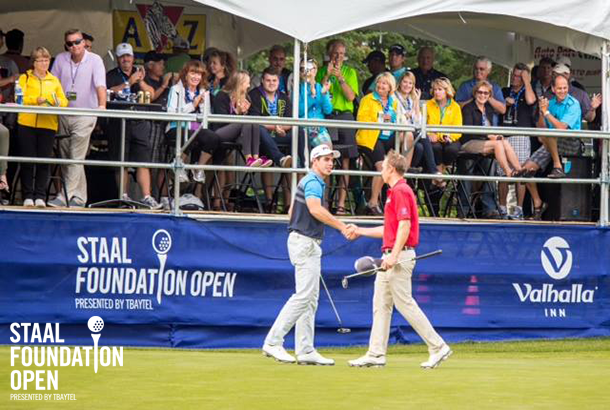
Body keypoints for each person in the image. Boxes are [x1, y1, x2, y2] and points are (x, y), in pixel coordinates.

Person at [347, 150, 451, 368]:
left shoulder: (401, 190)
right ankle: (376, 354)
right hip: (391, 255)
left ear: (391, 169)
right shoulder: (394, 192)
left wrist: (393, 255)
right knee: (381, 304)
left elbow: (405, 226)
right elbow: (390, 229)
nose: (381, 171)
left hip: (399, 256)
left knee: (405, 304)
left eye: (383, 167)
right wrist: (360, 231)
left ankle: (438, 347)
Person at [262, 144, 356, 366]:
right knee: (304, 296)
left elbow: (291, 212)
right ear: (315, 161)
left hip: (305, 241)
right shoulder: (313, 181)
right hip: (305, 242)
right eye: (325, 159)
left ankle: (305, 349)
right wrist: (342, 226)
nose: (330, 162)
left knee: (310, 299)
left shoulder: (309, 181)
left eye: (331, 159)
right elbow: (314, 209)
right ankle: (273, 341)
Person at [49, 28, 106, 208]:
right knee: (68, 157)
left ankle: (64, 196)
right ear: (66, 45)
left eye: (77, 42)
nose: (74, 46)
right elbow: (52, 84)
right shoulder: (60, 59)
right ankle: (79, 198)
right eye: (70, 43)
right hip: (64, 113)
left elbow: (100, 85)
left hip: (86, 113)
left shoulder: (95, 60)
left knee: (75, 155)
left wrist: (102, 107)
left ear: (84, 43)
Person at [105, 42, 160, 209]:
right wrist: (128, 83)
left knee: (143, 161)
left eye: (128, 56)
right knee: (122, 162)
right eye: (122, 57)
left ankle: (147, 197)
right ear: (118, 59)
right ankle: (124, 197)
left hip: (139, 121)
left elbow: (151, 95)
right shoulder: (111, 74)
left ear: (133, 57)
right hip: (119, 121)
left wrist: (140, 82)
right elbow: (108, 91)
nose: (125, 60)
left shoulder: (141, 73)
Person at [521, 74, 581, 219]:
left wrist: (547, 113)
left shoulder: (574, 104)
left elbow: (561, 128)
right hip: (551, 141)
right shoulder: (551, 103)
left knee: (551, 133)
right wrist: (542, 111)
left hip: (571, 142)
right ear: (553, 89)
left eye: (565, 87)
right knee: (524, 171)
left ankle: (557, 166)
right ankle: (538, 202)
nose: (562, 91)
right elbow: (542, 128)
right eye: (559, 88)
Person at [17, 47, 69, 207]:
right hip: (27, 123)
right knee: (27, 160)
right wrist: (36, 100)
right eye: (41, 60)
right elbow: (20, 98)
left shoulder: (54, 80)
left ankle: (40, 195)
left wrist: (57, 102)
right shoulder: (25, 77)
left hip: (48, 124)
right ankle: (27, 195)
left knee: (43, 161)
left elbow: (64, 101)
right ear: (34, 62)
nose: (44, 63)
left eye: (47, 60)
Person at [316, 39, 359, 214]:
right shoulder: (320, 72)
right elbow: (317, 94)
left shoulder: (350, 72)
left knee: (346, 161)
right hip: (326, 115)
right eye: (335, 53)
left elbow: (350, 97)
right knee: (326, 157)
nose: (338, 57)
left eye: (341, 54)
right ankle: (325, 201)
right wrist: (327, 75)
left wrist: (340, 77)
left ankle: (341, 203)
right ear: (329, 54)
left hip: (344, 116)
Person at [165, 60, 219, 198]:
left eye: (199, 74)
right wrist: (193, 104)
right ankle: (178, 164)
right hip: (175, 128)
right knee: (190, 135)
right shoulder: (176, 89)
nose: (196, 77)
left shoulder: (203, 92)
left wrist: (201, 105)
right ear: (186, 74)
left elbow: (206, 118)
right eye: (193, 73)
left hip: (195, 129)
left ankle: (198, 168)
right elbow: (171, 114)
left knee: (213, 137)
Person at [248, 67, 295, 206]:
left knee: (300, 132)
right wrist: (275, 127)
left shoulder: (283, 97)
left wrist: (281, 128)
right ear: (262, 81)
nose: (271, 83)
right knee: (261, 130)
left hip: (280, 135)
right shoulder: (254, 95)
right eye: (268, 80)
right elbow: (255, 120)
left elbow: (291, 120)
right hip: (260, 139)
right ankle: (269, 201)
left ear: (278, 81)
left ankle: (301, 164)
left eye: (274, 80)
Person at [356, 72, 400, 216]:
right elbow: (361, 119)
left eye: (384, 83)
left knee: (408, 138)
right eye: (379, 82)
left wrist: (391, 119)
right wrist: (379, 118)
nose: (381, 86)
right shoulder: (368, 99)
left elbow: (397, 119)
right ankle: (373, 203)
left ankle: (403, 165)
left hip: (388, 136)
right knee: (382, 167)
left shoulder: (393, 101)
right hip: (371, 137)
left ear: (390, 87)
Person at [499, 63, 537, 220]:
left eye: (518, 76)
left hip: (521, 134)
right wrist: (504, 103)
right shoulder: (504, 91)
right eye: (514, 75)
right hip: (504, 134)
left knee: (520, 172)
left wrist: (527, 82)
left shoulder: (527, 90)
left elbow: (530, 101)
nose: (514, 78)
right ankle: (502, 208)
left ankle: (518, 209)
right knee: (503, 173)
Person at [426, 77, 462, 186]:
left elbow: (458, 128)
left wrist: (448, 136)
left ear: (447, 91)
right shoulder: (428, 105)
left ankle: (439, 173)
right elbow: (423, 124)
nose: (437, 92)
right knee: (435, 148)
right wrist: (429, 134)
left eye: (440, 89)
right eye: (435, 89)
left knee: (452, 150)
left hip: (450, 137)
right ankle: (439, 178)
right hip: (433, 138)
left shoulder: (455, 106)